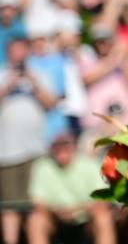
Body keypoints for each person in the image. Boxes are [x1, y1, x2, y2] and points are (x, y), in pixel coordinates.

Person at [0, 36, 57, 244]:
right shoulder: (1, 74)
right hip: (6, 152)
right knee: (10, 206)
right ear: (8, 53)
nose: (19, 55)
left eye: (22, 50)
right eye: (14, 51)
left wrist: (33, 82)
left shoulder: (39, 75)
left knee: (36, 205)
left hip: (36, 150)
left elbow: (51, 104)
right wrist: (9, 84)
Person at [26, 130, 114, 244]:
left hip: (87, 219)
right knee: (35, 220)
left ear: (74, 147)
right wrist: (56, 211)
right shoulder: (42, 166)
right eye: (57, 145)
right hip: (54, 219)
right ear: (51, 148)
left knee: (104, 218)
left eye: (66, 144)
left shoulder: (90, 164)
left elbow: (103, 199)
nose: (62, 149)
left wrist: (79, 210)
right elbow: (37, 201)